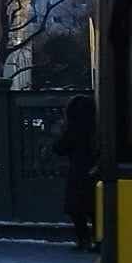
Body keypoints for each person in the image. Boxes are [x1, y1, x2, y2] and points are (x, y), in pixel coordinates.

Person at [55, 93, 99, 250]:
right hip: (95, 171)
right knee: (94, 209)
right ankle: (97, 239)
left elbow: (59, 148)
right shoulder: (96, 127)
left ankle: (83, 240)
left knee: (76, 209)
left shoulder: (73, 129)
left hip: (78, 172)